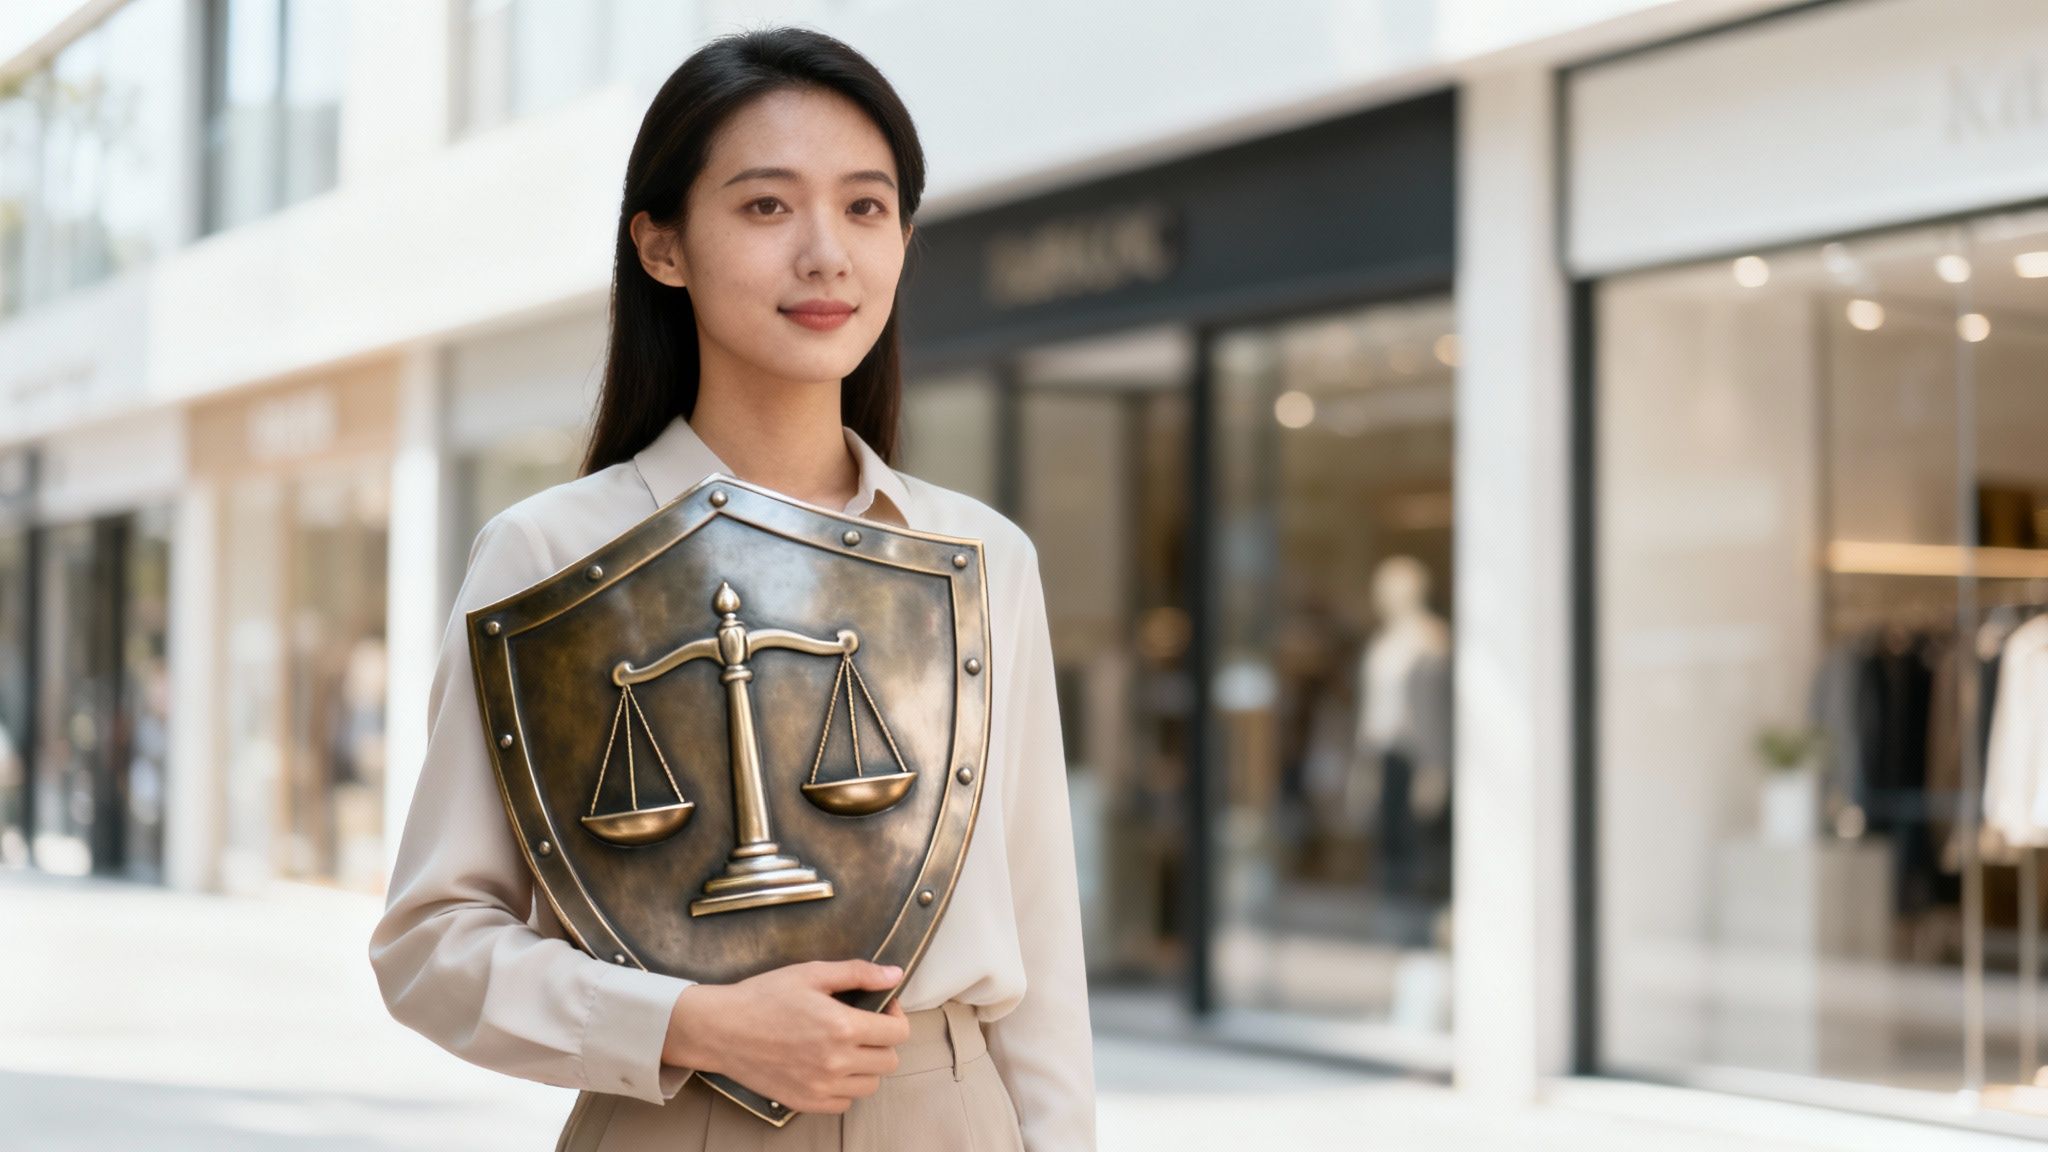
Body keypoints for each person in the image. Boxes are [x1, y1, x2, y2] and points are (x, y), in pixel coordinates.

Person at [367, 28, 1096, 1152]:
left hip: (946, 1109)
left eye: (864, 208)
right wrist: (687, 1024)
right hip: (672, 1116)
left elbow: (1043, 958)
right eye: (766, 208)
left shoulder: (982, 553)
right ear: (662, 247)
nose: (826, 255)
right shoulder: (550, 553)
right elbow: (429, 946)